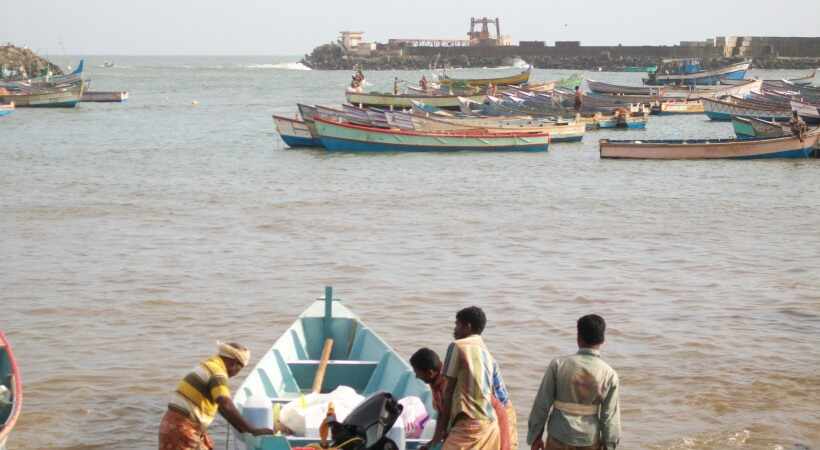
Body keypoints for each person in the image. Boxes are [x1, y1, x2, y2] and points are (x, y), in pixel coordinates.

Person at [527, 315, 621, 450]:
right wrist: (609, 444)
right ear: (602, 340)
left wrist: (535, 437)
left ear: (578, 338)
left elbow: (542, 404)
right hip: (589, 440)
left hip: (558, 437)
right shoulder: (609, 374)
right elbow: (610, 417)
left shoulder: (558, 365)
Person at [159, 342, 273, 450]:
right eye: (240, 369)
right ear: (234, 363)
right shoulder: (217, 373)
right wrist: (250, 429)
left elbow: (222, 406)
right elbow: (225, 404)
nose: (236, 373)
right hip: (181, 429)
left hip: (179, 426)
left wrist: (241, 427)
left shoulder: (209, 365)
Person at [410, 348, 514, 450]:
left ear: (430, 373)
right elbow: (442, 415)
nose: (416, 376)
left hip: (487, 426)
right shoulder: (436, 383)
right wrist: (433, 443)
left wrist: (505, 446)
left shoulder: (457, 383)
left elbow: (498, 409)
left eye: (417, 373)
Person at [436, 307, 501, 450]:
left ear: (468, 326)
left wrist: (443, 429)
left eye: (457, 325)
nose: (455, 329)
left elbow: (448, 391)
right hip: (490, 426)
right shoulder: (487, 353)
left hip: (469, 427)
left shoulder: (458, 346)